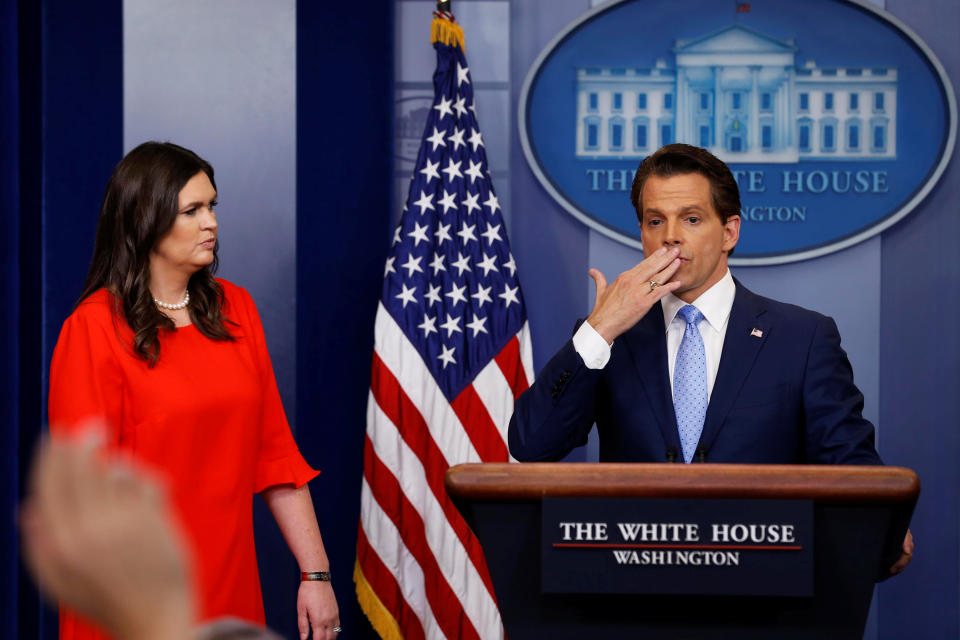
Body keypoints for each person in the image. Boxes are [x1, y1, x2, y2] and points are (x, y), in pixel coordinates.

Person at [507, 143, 913, 573]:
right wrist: (600, 328)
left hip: (764, 590)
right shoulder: (608, 339)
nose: (670, 236)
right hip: (632, 589)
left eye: (692, 219)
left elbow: (849, 462)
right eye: (655, 221)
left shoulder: (803, 337)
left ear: (729, 232)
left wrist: (883, 530)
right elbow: (532, 445)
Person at [48, 142, 341, 639]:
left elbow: (276, 457)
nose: (211, 223)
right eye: (192, 210)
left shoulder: (236, 310)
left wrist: (316, 575)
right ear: (145, 220)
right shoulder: (92, 329)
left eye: (212, 206)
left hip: (230, 591)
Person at [20, 423, 283, 640]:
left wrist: (315, 575)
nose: (156, 486)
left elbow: (276, 454)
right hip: (130, 576)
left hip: (225, 572)